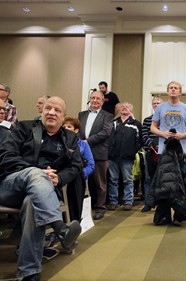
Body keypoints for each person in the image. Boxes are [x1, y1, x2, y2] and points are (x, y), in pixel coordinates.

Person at [0, 96, 82, 280]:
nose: (51, 112)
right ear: (42, 111)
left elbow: (76, 167)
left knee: (32, 203)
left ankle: (29, 273)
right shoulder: (24, 128)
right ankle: (60, 228)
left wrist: (58, 177)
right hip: (11, 185)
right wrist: (37, 172)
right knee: (36, 174)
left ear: (64, 117)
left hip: (43, 193)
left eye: (57, 110)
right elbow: (6, 155)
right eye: (48, 108)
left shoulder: (70, 138)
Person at [148, 81, 186, 226]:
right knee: (164, 184)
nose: (173, 90)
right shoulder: (160, 108)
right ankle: (165, 216)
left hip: (180, 152)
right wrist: (163, 134)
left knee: (181, 183)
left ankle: (179, 215)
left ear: (180, 92)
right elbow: (152, 127)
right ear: (168, 91)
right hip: (164, 151)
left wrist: (182, 135)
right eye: (171, 88)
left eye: (176, 88)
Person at [78, 91, 113, 220]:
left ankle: (100, 208)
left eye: (98, 98)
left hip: (99, 153)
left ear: (102, 101)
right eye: (93, 98)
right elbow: (77, 130)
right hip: (82, 153)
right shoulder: (81, 115)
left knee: (100, 184)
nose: (95, 100)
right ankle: (84, 208)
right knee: (82, 182)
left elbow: (105, 132)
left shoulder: (108, 116)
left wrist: (88, 142)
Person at [107, 102, 143, 211]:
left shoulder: (136, 124)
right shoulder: (114, 123)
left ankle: (128, 201)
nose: (124, 108)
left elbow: (141, 140)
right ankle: (113, 201)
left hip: (127, 157)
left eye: (127, 107)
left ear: (131, 110)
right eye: (123, 107)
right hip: (112, 156)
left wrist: (132, 151)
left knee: (128, 180)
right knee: (113, 179)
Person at [141, 96, 162, 212]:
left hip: (163, 153)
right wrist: (152, 145)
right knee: (149, 178)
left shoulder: (166, 119)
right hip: (150, 152)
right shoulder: (147, 120)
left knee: (161, 179)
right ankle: (148, 203)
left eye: (159, 103)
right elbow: (144, 135)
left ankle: (160, 203)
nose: (156, 105)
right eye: (154, 103)